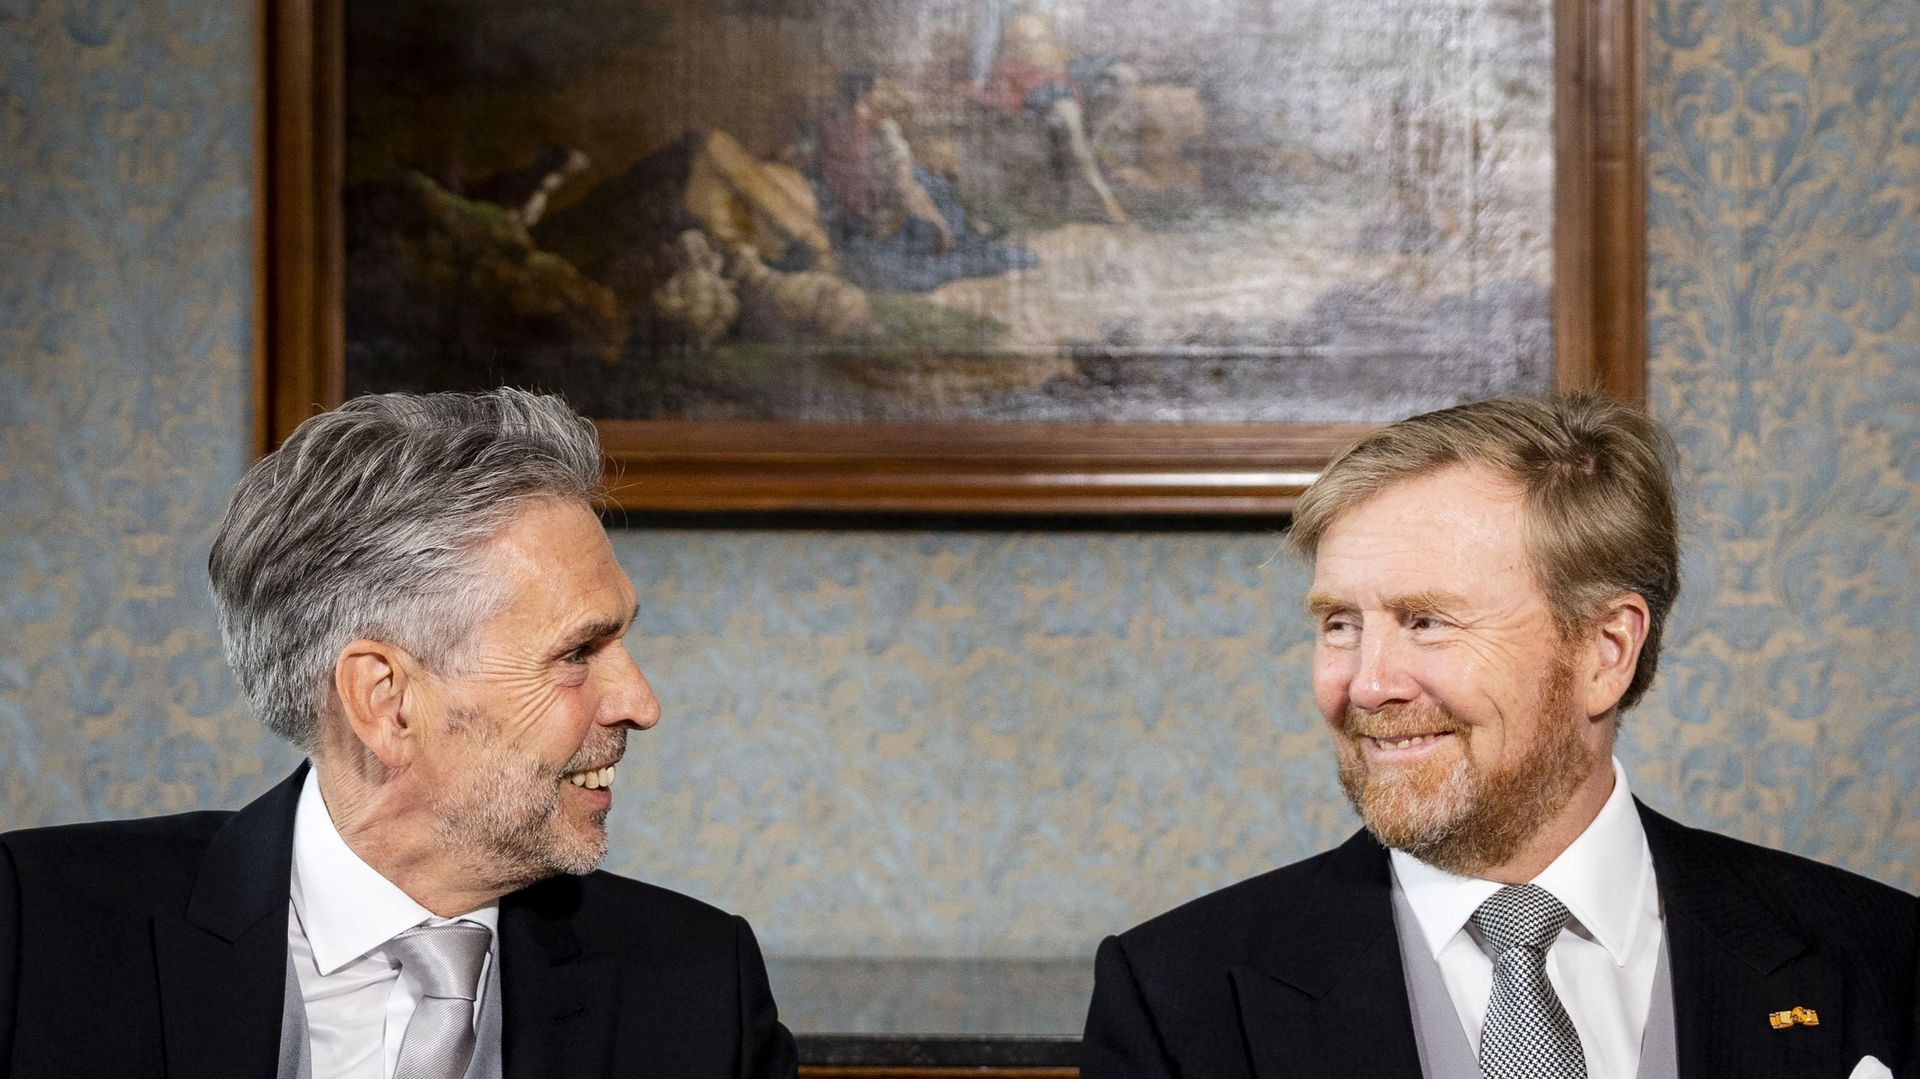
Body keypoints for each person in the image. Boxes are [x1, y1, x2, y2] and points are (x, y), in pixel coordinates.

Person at [1081, 394, 1917, 1078]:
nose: (1367, 683)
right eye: (1339, 623)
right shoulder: (1177, 998)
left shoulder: (1882, 960)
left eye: (1428, 621)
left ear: (1605, 651)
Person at [0, 390, 797, 1078]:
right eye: (577, 652)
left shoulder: (698, 990)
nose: (640, 701)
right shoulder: (33, 935)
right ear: (385, 699)